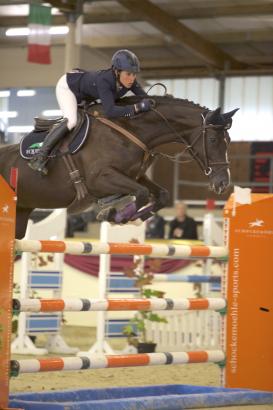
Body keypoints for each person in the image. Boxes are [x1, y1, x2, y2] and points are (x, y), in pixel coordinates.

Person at [29, 49, 152, 175]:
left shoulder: (130, 81)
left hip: (86, 93)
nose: (132, 79)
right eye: (128, 74)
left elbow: (145, 98)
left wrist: (158, 102)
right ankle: (39, 157)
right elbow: (110, 111)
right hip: (68, 87)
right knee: (71, 121)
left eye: (134, 74)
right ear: (117, 71)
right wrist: (136, 108)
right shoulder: (105, 80)